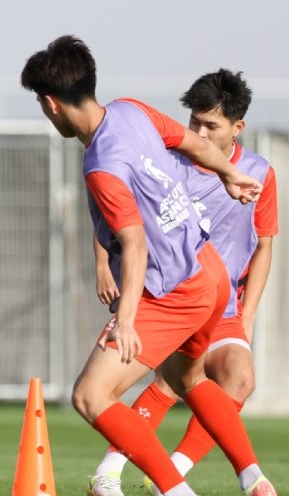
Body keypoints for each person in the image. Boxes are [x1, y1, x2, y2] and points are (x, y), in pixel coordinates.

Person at [20, 36, 276, 496]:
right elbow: (195, 146)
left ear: (52, 103)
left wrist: (127, 318)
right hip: (211, 273)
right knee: (186, 378)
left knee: (91, 395)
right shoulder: (130, 110)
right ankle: (253, 478)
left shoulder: (102, 166)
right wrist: (231, 173)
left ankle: (173, 490)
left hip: (176, 289)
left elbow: (134, 244)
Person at [88, 69, 278, 496]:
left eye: (211, 125)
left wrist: (247, 317)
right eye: (194, 122)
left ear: (237, 127)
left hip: (221, 299)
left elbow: (264, 247)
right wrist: (102, 265)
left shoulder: (259, 174)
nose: (199, 132)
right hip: (171, 291)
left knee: (237, 378)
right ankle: (114, 472)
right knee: (167, 383)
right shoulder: (168, 161)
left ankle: (173, 474)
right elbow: (116, 214)